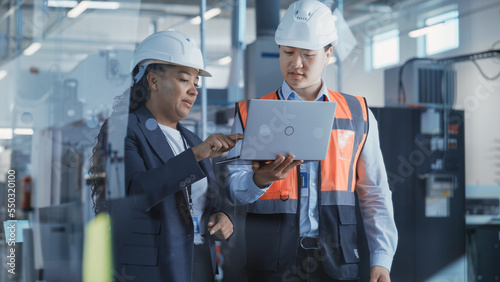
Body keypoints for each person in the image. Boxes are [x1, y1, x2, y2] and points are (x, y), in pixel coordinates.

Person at [226, 0, 398, 281]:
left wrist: (382, 257)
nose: (295, 63)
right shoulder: (251, 113)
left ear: (328, 54)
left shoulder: (358, 114)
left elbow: (375, 191)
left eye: (307, 54)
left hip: (336, 262)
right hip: (271, 263)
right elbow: (233, 190)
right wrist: (260, 180)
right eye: (288, 52)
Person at [89, 30, 242, 282]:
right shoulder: (121, 129)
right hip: (150, 270)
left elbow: (208, 201)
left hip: (198, 263)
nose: (193, 91)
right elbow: (134, 193)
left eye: (196, 83)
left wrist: (222, 216)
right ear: (153, 81)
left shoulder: (191, 139)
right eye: (184, 80)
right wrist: (197, 155)